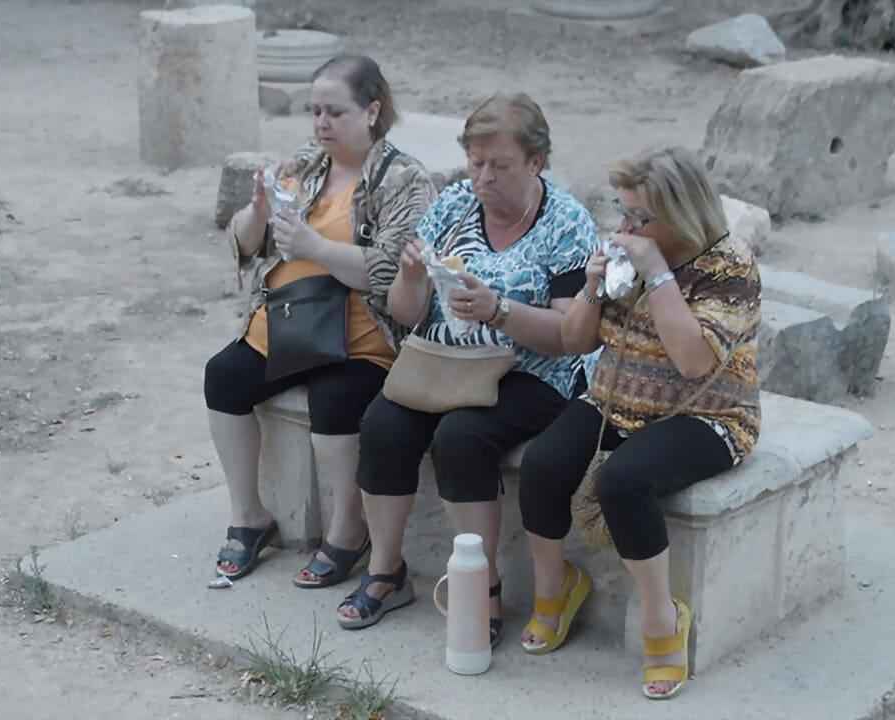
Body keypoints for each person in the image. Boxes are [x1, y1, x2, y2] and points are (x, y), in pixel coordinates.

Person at [336, 94, 599, 645]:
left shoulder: (567, 222)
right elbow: (408, 314)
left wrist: (498, 310)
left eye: (499, 165)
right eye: (475, 162)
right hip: (446, 362)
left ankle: (482, 587)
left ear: (536, 162)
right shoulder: (453, 204)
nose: (483, 177)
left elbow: (570, 335)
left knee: (462, 437)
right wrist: (411, 275)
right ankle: (386, 571)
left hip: (533, 372)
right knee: (382, 424)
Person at [516, 146, 761, 700]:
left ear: (682, 213)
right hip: (613, 399)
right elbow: (574, 342)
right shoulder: (623, 252)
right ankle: (557, 587)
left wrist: (656, 275)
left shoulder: (730, 266)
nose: (625, 227)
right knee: (542, 464)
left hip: (707, 414)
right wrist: (591, 288)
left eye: (640, 217)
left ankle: (661, 620)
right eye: (622, 212)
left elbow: (695, 360)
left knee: (624, 482)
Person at [205, 55, 436, 587]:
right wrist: (258, 212)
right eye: (315, 112)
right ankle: (249, 516)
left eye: (334, 111)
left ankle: (348, 531)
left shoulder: (403, 179)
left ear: (373, 110)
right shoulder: (308, 162)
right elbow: (243, 246)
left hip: (361, 333)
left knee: (336, 400)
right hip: (291, 321)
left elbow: (390, 271)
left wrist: (316, 246)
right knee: (224, 376)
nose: (321, 124)